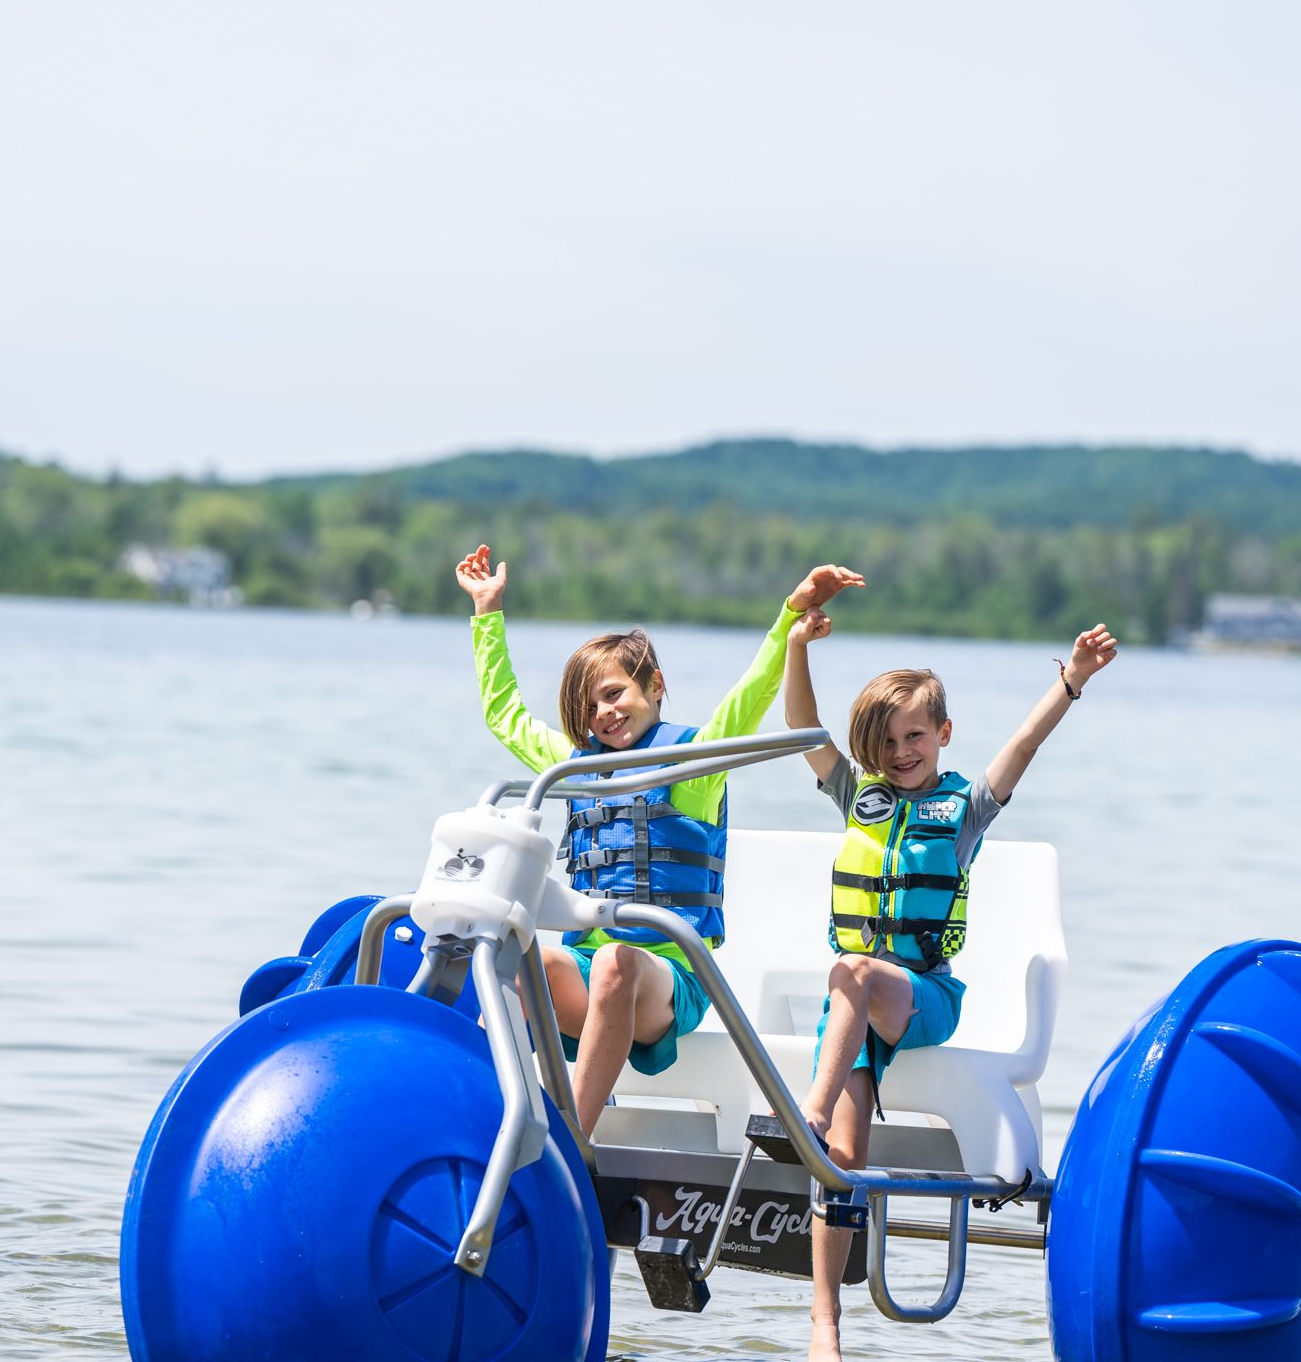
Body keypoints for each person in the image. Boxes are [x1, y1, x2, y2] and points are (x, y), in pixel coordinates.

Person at [782, 605, 1118, 1362]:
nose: (902, 752)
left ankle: (800, 1112)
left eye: (916, 736)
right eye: (889, 740)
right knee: (845, 1150)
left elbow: (1023, 744)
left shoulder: (964, 809)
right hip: (853, 1017)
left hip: (921, 998)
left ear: (943, 735)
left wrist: (1071, 679)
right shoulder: (854, 795)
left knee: (857, 971)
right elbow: (802, 724)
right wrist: (797, 646)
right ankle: (824, 1324)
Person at [454, 543, 863, 1137]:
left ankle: (571, 1142)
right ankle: (499, 1122)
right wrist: (487, 612)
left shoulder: (692, 762)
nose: (603, 713)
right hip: (588, 963)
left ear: (655, 685)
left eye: (615, 693)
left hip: (671, 978)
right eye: (589, 705)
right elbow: (504, 716)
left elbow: (750, 698)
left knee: (619, 964)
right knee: (519, 957)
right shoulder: (575, 766)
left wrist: (787, 618)